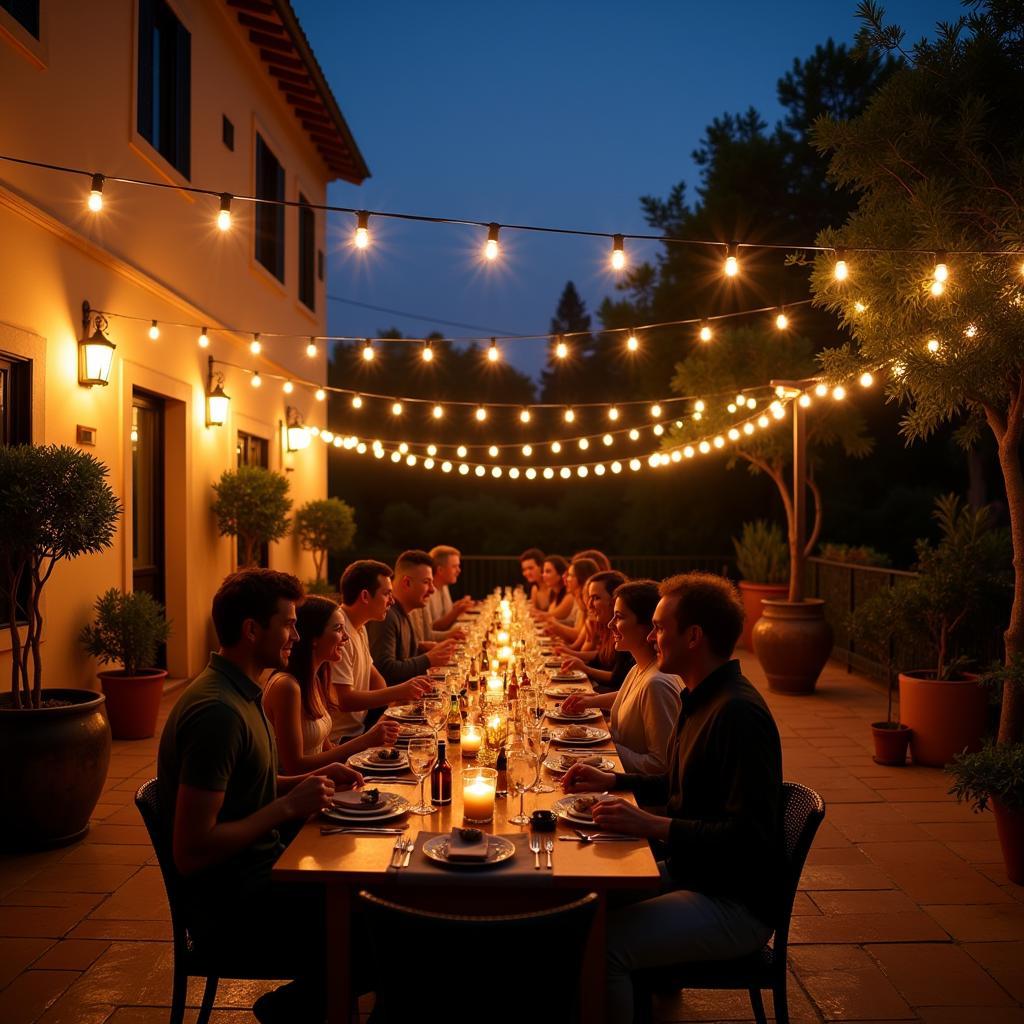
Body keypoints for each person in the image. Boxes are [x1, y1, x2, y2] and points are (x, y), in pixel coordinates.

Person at [562, 572, 784, 1024]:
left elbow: (749, 835)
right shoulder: (700, 696)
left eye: (661, 627)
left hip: (732, 901)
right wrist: (612, 783)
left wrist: (653, 826)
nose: (652, 635)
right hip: (695, 872)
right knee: (575, 908)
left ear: (694, 636)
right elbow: (676, 783)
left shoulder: (737, 713)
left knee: (603, 945)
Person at [157, 569, 365, 1023]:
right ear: (252, 630)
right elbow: (191, 851)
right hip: (239, 909)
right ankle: (294, 1008)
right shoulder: (218, 712)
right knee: (391, 928)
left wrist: (305, 781)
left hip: (265, 876)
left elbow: (247, 786)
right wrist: (288, 806)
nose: (296, 635)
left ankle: (309, 1002)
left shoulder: (243, 690)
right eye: (288, 624)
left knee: (378, 899)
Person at [262, 595, 405, 773]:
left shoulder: (316, 678)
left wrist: (371, 749)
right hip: (299, 794)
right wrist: (365, 741)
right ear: (313, 637)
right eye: (338, 629)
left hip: (320, 783)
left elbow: (327, 750)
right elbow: (294, 767)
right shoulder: (287, 686)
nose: (345, 637)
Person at [562, 580, 682, 775]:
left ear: (647, 626)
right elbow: (632, 698)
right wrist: (589, 701)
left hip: (635, 797)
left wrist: (606, 749)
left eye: (619, 617)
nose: (610, 625)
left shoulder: (657, 684)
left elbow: (662, 767)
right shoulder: (640, 668)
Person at [329, 559, 432, 742]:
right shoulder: (339, 630)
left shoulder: (359, 626)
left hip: (360, 729)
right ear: (365, 596)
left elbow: (375, 678)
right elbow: (345, 700)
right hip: (341, 739)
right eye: (387, 594)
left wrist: (397, 708)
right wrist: (399, 692)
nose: (391, 601)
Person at [367, 549, 458, 685]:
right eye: (427, 582)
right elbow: (385, 670)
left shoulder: (404, 612)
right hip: (391, 705)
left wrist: (420, 648)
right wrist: (428, 659)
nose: (432, 590)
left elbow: (402, 655)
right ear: (407, 582)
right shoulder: (386, 615)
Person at [558, 569, 633, 691]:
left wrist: (584, 668)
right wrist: (570, 653)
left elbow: (617, 679)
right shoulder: (606, 626)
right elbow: (601, 656)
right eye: (588, 597)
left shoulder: (624, 631)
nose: (589, 604)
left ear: (614, 601)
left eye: (596, 598)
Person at [541, 556, 599, 644]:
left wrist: (556, 626)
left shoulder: (586, 603)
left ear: (581, 577)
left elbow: (579, 638)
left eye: (569, 575)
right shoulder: (578, 599)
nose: (565, 578)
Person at [427, 544, 474, 631]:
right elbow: (432, 628)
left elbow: (444, 615)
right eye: (454, 566)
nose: (459, 570)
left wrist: (458, 606)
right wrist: (456, 612)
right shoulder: (427, 592)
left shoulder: (444, 586)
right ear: (440, 570)